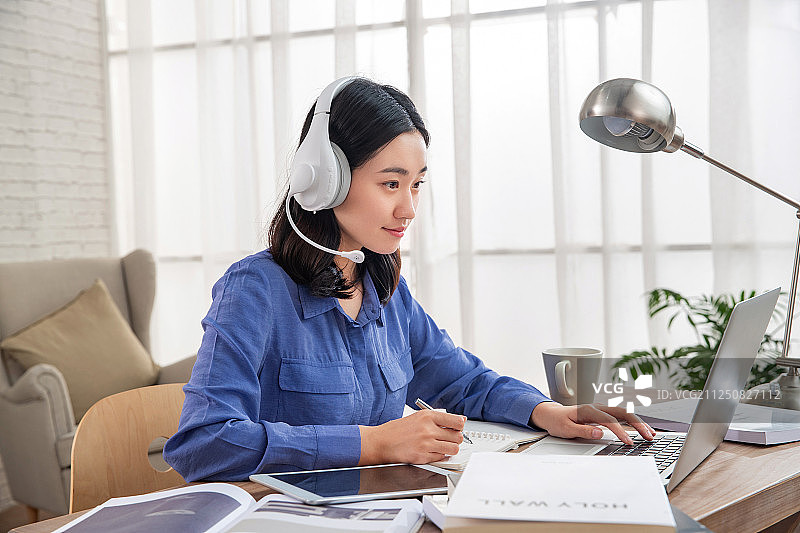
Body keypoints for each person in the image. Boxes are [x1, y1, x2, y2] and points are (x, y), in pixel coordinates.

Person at [163, 77, 654, 482]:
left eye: (417, 184)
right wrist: (371, 443)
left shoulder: (382, 285)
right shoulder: (254, 290)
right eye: (391, 183)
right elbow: (203, 443)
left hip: (384, 511)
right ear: (324, 179)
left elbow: (461, 379)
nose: (409, 208)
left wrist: (545, 412)